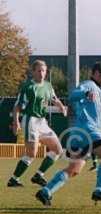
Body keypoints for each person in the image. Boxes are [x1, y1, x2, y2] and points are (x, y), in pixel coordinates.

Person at [35, 62, 101, 206]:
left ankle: (45, 191)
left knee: (74, 169)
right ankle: (99, 190)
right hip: (88, 130)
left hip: (79, 133)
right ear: (96, 73)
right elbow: (73, 95)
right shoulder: (88, 85)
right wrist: (85, 93)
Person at [7, 60, 67, 188]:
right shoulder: (28, 87)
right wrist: (16, 121)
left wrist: (61, 107)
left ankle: (38, 175)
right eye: (39, 70)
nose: (41, 73)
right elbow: (17, 106)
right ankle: (13, 179)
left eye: (43, 71)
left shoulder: (48, 86)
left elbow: (54, 98)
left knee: (57, 150)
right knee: (31, 153)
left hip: (42, 122)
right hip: (31, 121)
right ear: (33, 72)